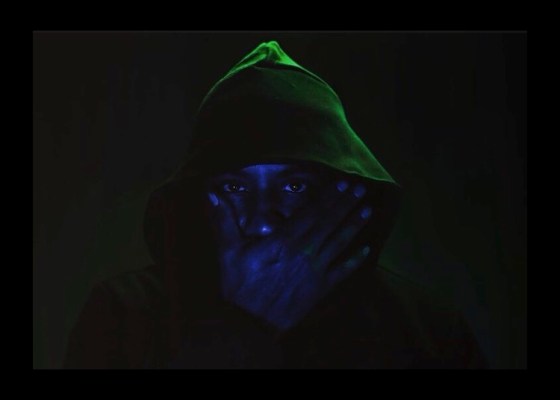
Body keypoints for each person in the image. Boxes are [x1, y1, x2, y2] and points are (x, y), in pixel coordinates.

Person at [64, 41, 487, 368]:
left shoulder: (426, 328)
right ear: (195, 199)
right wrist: (240, 329)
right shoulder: (125, 314)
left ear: (338, 194)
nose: (263, 221)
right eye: (235, 187)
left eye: (293, 186)